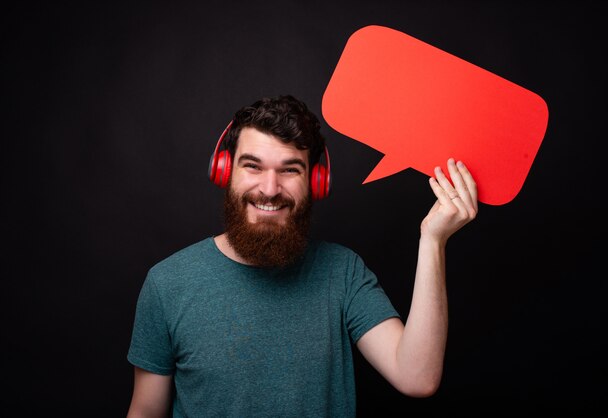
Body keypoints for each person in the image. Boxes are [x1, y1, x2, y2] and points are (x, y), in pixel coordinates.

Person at [126, 94, 478, 418]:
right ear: (224, 171)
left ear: (316, 181)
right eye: (253, 166)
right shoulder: (168, 283)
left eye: (290, 169)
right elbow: (144, 412)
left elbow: (416, 377)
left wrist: (433, 241)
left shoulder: (342, 272)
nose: (269, 188)